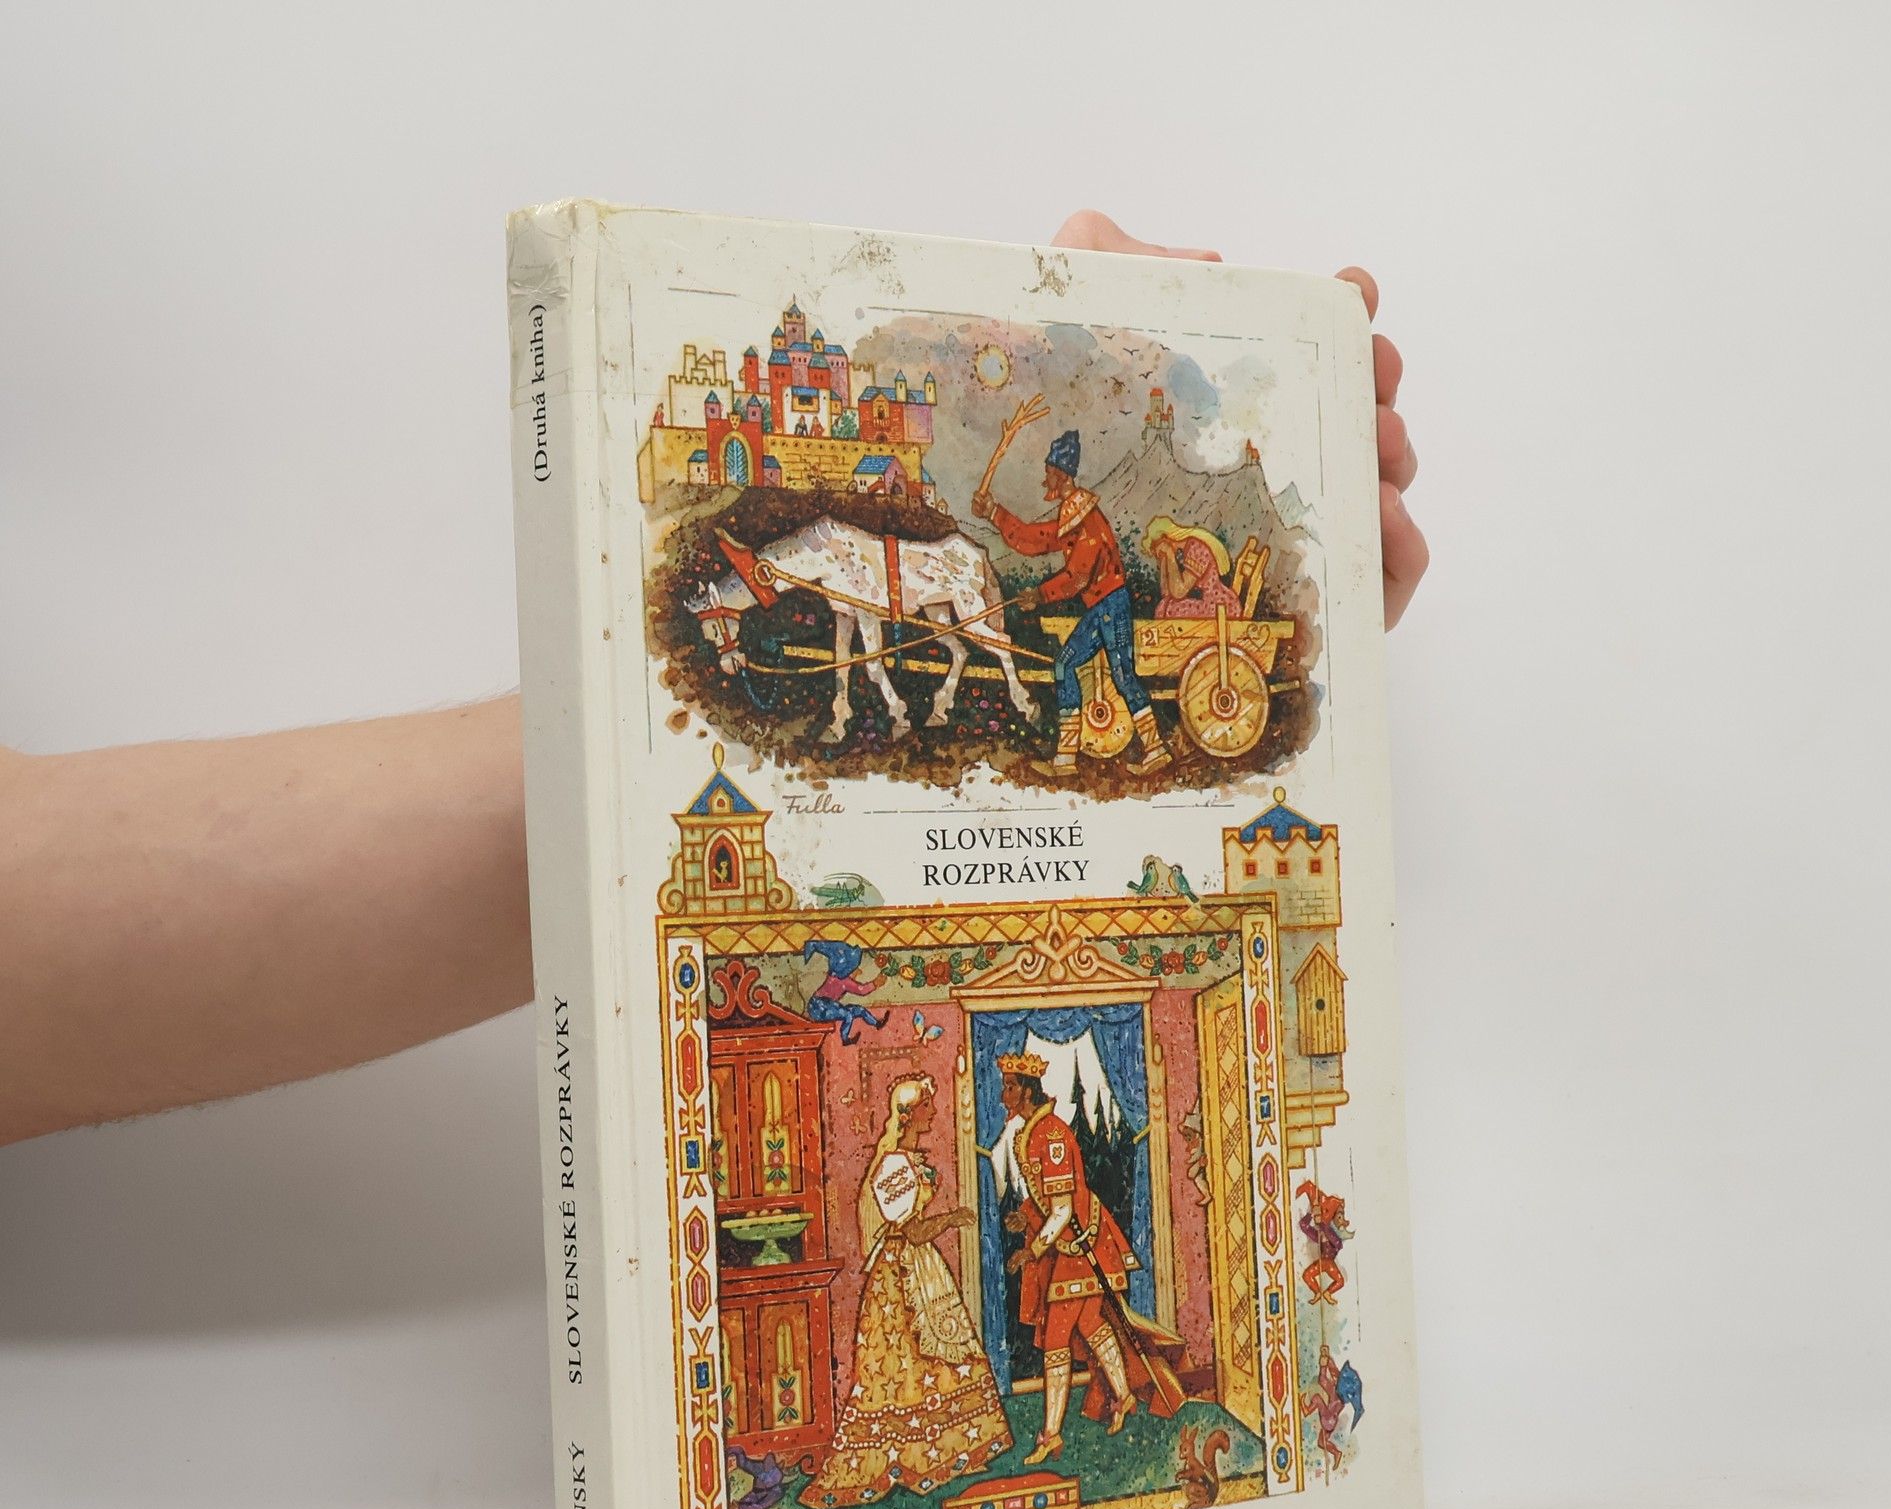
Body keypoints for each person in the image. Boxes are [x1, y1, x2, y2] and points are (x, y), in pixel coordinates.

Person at [0, 212, 1426, 1147]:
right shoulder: (1007, 516)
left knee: (1075, 665)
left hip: (1094, 618)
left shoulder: (1082, 530)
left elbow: (1061, 569)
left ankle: (1076, 724)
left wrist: (1032, 347)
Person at [798, 1075, 1011, 1507]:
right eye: (927, 1105)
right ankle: (910, 1456)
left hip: (918, 1267)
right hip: (901, 1275)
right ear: (910, 1114)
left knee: (939, 1355)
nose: (933, 1111)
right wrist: (951, 1219)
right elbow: (911, 1232)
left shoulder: (909, 1159)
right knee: (907, 1363)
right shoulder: (894, 1165)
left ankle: (952, 1449)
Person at [997, 1050, 1186, 1465]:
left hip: (1081, 1247)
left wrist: (1031, 1250)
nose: (1002, 1095)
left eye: (1009, 1087)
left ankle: (1051, 1435)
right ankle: (1124, 1397)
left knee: (1056, 1340)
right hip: (1067, 1246)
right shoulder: (1030, 1131)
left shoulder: (1051, 1136)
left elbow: (1064, 1208)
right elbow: (1048, 1198)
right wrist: (1025, 1214)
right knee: (1091, 1325)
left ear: (1026, 1091)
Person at [973, 426, 1172, 779]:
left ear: (1062, 475)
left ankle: (1154, 750)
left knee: (1120, 675)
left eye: (1049, 472)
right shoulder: (1073, 514)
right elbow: (1035, 539)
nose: (1045, 479)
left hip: (1111, 606)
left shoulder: (1087, 521)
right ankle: (1066, 759)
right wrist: (993, 513)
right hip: (1103, 607)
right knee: (1068, 665)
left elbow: (1077, 576)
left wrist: (1040, 595)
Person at [1145, 517, 1241, 619]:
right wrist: (1165, 560)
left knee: (1169, 609)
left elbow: (1178, 592)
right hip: (1208, 604)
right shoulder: (1182, 552)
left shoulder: (1196, 547)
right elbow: (1166, 593)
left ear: (1165, 538)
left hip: (1219, 604)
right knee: (1164, 606)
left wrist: (1169, 553)